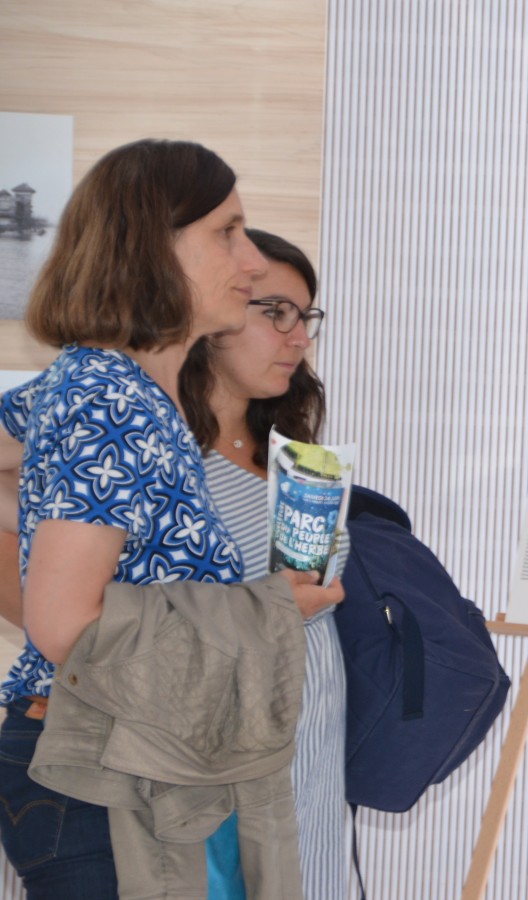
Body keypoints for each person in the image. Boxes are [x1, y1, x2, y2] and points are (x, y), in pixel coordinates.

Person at [0, 139, 342, 898]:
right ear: (150, 248)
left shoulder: (118, 387)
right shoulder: (109, 395)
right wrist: (273, 605)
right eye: (227, 232)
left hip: (130, 755)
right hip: (101, 768)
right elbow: (65, 625)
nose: (250, 261)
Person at [180, 228, 348, 898]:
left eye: (303, 317)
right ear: (209, 314)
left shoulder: (300, 458)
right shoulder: (162, 456)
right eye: (274, 312)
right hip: (217, 782)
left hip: (313, 767)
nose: (298, 336)